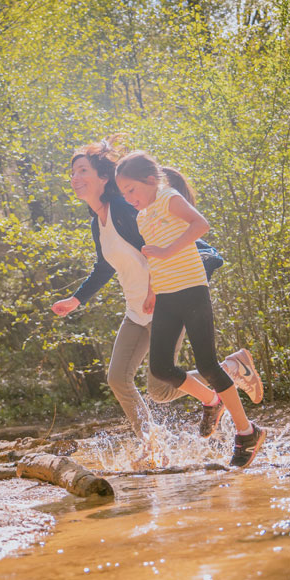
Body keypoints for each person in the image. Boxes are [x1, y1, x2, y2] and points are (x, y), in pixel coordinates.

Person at [52, 136, 263, 443]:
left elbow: (156, 244)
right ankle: (153, 443)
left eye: (82, 170)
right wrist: (76, 299)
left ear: (103, 177)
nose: (75, 178)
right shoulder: (98, 223)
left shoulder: (125, 209)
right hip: (136, 311)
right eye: (72, 173)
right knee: (117, 379)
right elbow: (104, 266)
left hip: (164, 300)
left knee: (160, 389)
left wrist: (154, 289)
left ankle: (231, 368)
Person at [114, 149, 266, 467]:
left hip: (193, 292)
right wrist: (153, 292)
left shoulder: (168, 198)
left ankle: (246, 433)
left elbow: (201, 225)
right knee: (160, 369)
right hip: (166, 298)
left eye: (132, 190)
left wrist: (167, 250)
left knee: (209, 365)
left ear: (150, 180)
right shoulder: (142, 217)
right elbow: (154, 258)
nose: (129, 198)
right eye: (124, 193)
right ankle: (212, 402)